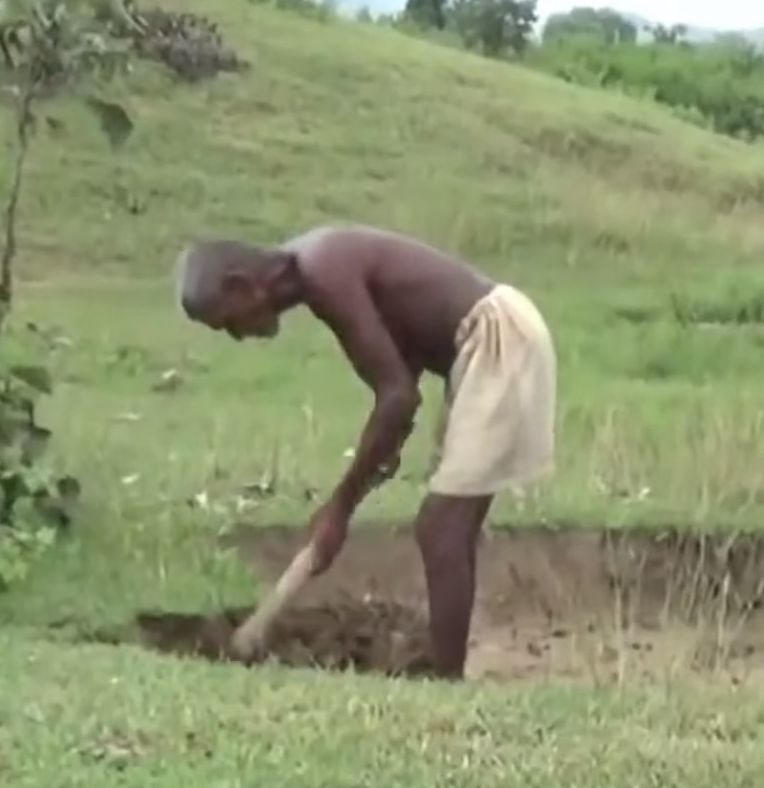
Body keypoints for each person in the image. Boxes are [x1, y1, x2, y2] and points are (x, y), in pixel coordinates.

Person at [173, 229, 557, 680]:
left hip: (498, 339)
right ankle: (446, 669)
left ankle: (446, 685)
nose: (238, 336)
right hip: (484, 344)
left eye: (229, 323)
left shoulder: (323, 272)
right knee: (450, 526)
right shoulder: (315, 269)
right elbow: (403, 365)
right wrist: (379, 454)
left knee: (441, 528)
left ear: (242, 286)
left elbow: (396, 397)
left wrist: (340, 507)